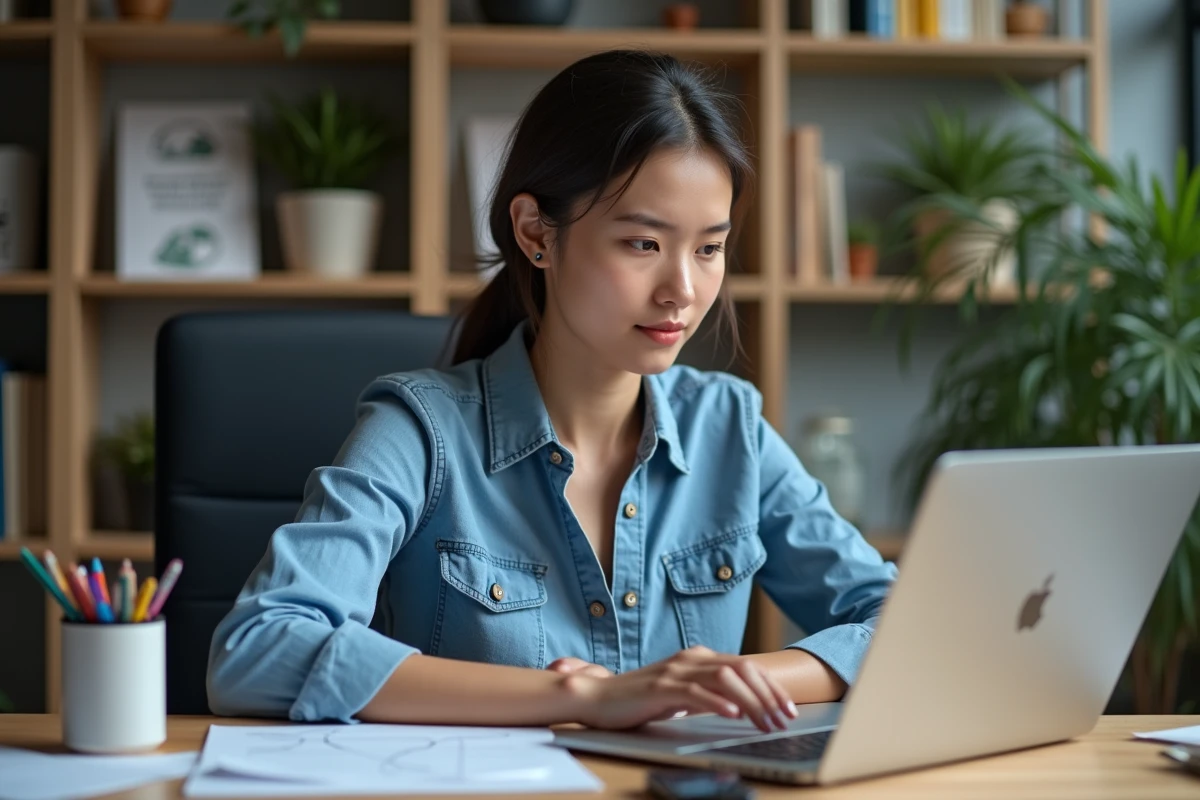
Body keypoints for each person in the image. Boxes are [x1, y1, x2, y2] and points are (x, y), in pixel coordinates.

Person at [207, 49, 897, 733]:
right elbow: (258, 650)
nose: (683, 291)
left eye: (708, 249)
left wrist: (722, 684)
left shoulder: (729, 427)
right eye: (643, 244)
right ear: (537, 233)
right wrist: (588, 701)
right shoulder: (418, 429)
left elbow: (904, 620)